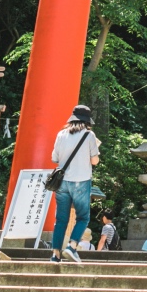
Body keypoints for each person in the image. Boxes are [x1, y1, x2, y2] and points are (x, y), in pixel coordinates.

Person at [50, 104, 99, 264]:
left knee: (61, 219)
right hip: (81, 180)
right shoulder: (89, 135)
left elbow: (55, 159)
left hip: (62, 182)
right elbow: (95, 161)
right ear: (87, 121)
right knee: (83, 217)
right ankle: (71, 246)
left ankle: (55, 255)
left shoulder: (61, 134)